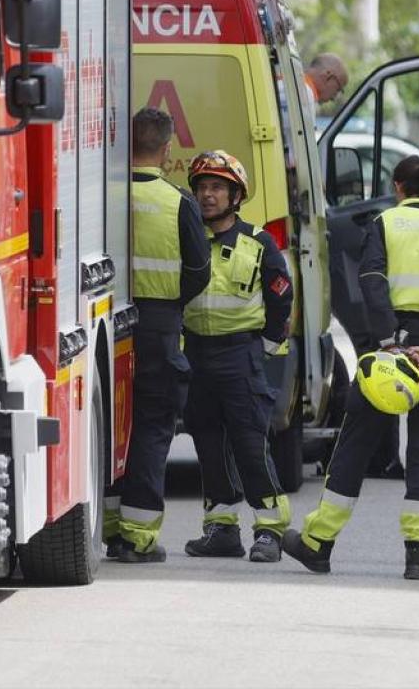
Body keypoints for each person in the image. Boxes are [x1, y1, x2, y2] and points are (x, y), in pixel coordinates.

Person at [282, 155, 419, 580]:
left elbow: (371, 283)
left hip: (391, 350)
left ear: (398, 187)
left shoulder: (385, 224)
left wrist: (391, 342)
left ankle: (318, 543)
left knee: (355, 445)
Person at [105, 108, 213, 563]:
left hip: (105, 322)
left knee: (109, 426)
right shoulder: (179, 202)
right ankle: (137, 536)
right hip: (158, 325)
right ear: (167, 151)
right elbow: (199, 271)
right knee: (151, 427)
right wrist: (172, 302)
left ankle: (109, 527)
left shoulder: (104, 194)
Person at [181, 150, 295, 562]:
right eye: (202, 188)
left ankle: (269, 531)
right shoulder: (187, 238)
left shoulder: (259, 242)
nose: (208, 196)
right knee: (208, 445)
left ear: (235, 196)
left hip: (240, 356)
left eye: (217, 188)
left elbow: (281, 295)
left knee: (250, 444)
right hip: (197, 355)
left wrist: (262, 347)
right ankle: (222, 529)